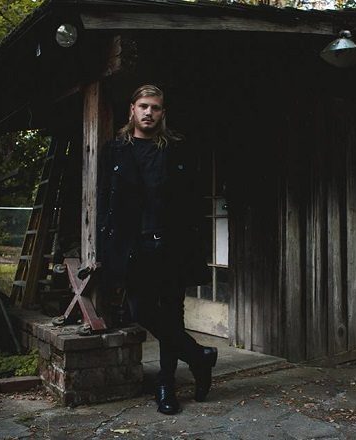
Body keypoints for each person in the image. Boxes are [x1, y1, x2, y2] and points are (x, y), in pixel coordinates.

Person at [97, 85, 217, 415]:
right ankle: (198, 357)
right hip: (134, 248)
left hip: (171, 245)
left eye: (156, 108)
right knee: (141, 311)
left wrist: (196, 245)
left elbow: (193, 201)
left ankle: (166, 386)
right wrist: (105, 248)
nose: (149, 112)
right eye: (144, 106)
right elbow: (104, 200)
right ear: (132, 110)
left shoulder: (177, 149)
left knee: (171, 314)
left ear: (163, 113)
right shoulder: (115, 151)